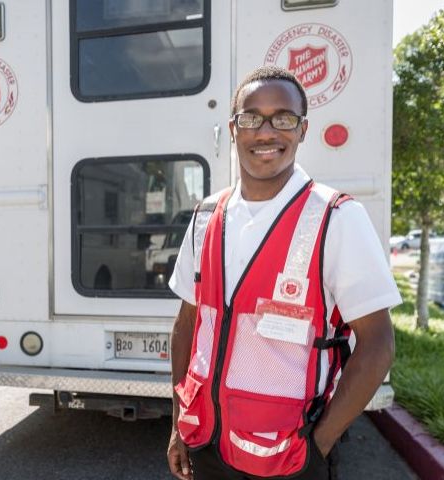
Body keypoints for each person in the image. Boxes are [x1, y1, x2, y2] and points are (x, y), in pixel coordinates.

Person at [166, 66, 401, 480]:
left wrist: (318, 447)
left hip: (289, 457)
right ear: (234, 128)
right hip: (206, 443)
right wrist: (177, 422)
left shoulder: (336, 217)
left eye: (284, 118)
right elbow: (188, 324)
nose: (267, 131)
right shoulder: (206, 216)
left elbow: (378, 343)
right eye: (252, 117)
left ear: (303, 129)